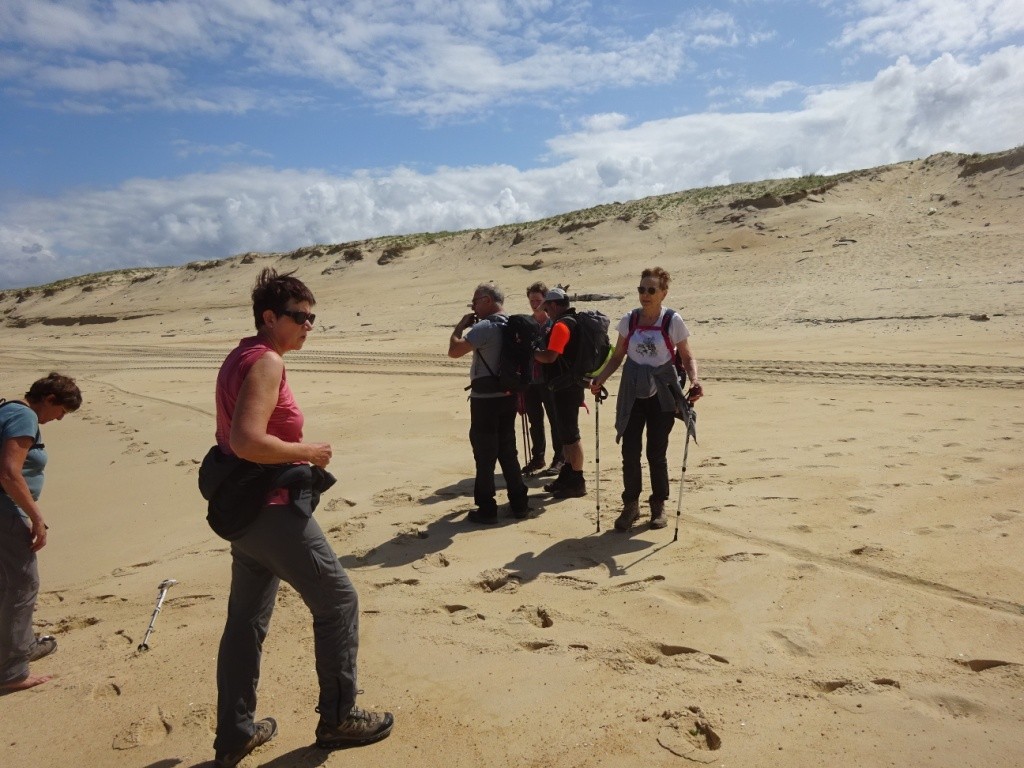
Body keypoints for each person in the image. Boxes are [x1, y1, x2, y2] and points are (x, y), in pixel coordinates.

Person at [211, 268, 392, 767]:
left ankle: (235, 735)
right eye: (299, 316)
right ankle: (339, 718)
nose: (309, 325)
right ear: (270, 318)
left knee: (245, 622)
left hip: (246, 516)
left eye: (313, 317)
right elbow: (246, 441)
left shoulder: (240, 355)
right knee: (338, 603)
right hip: (271, 513)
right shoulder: (266, 361)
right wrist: (307, 451)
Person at [590, 267, 703, 531]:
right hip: (632, 391)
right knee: (629, 451)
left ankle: (658, 504)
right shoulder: (630, 320)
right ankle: (631, 505)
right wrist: (600, 379)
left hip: (662, 392)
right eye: (641, 289)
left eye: (651, 290)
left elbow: (687, 357)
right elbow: (618, 356)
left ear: (664, 293)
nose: (645, 295)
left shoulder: (672, 320)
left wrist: (695, 380)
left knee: (656, 452)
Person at [1, 372, 81, 693]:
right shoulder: (24, 416)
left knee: (7, 583)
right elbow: (9, 473)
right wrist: (36, 518)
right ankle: (12, 671)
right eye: (61, 411)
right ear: (49, 399)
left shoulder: (8, 409)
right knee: (23, 583)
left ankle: (19, 646)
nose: (59, 419)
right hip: (6, 511)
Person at [448, 282, 530, 523]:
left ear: (486, 300)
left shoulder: (484, 326)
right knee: (508, 451)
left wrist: (460, 326)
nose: (473, 306)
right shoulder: (512, 324)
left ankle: (487, 508)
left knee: (484, 455)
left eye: (475, 301)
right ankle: (520, 504)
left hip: (485, 400)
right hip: (509, 395)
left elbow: (454, 351)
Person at [534, 287, 587, 499]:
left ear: (555, 305)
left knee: (571, 436)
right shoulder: (574, 321)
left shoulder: (562, 325)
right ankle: (568, 475)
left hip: (566, 387)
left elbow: (550, 357)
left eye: (547, 307)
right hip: (570, 383)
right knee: (567, 434)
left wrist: (532, 353)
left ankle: (577, 479)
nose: (546, 311)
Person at [521, 281, 563, 476]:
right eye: (531, 300)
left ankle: (559, 458)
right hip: (530, 380)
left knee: (556, 419)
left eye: (538, 300)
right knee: (535, 420)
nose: (534, 303)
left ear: (546, 301)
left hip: (550, 380)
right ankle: (538, 457)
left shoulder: (553, 323)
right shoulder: (526, 323)